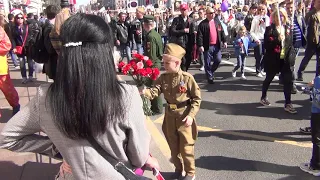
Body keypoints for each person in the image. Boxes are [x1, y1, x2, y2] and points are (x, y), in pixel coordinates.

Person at [0, 13, 159, 180]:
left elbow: (7, 137)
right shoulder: (127, 96)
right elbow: (139, 157)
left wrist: (64, 150)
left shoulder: (45, 97)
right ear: (106, 53)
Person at [142, 43, 201, 180]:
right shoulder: (163, 78)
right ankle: (178, 169)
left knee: (186, 148)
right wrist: (143, 91)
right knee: (173, 147)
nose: (165, 65)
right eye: (164, 62)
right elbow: (154, 92)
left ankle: (190, 173)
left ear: (177, 62)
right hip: (169, 117)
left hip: (184, 116)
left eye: (168, 62)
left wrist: (191, 116)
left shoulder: (187, 78)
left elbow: (197, 99)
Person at [260, 8, 297, 114]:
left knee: (287, 81)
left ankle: (288, 103)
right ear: (274, 17)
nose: (280, 17)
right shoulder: (269, 29)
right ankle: (263, 96)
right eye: (278, 15)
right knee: (269, 78)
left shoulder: (288, 28)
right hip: (273, 59)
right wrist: (277, 39)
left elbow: (291, 44)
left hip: (285, 60)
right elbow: (267, 45)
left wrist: (292, 57)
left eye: (282, 15)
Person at [197, 7, 227, 84]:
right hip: (207, 46)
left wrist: (225, 41)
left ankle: (210, 72)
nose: (212, 14)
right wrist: (200, 45)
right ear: (206, 14)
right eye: (210, 13)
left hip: (216, 45)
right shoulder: (202, 24)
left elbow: (222, 32)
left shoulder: (217, 22)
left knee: (218, 60)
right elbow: (199, 36)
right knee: (207, 62)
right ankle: (210, 77)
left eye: (213, 12)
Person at [0, 11, 20, 116]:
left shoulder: (1, 31)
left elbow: (7, 45)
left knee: (7, 89)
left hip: (1, 68)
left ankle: (15, 105)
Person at [143, 15, 163, 115]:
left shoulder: (150, 36)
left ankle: (157, 108)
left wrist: (148, 67)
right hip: (157, 62)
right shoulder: (156, 34)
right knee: (154, 86)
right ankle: (156, 107)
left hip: (153, 64)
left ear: (146, 24)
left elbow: (151, 54)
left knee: (153, 87)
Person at [300, 76, 320, 176]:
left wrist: (310, 87)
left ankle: (315, 166)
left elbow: (316, 100)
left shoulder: (318, 81)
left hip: (317, 114)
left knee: (317, 139)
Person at [297, 0, 320, 81]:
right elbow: (304, 26)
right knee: (307, 58)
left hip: (319, 40)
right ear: (315, 3)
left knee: (319, 60)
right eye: (319, 2)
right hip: (312, 40)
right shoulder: (310, 14)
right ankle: (300, 73)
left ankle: (317, 77)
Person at [169, 3, 196, 72]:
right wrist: (183, 31)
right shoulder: (176, 20)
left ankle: (184, 71)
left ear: (188, 10)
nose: (184, 11)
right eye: (182, 10)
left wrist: (194, 43)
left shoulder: (191, 20)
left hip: (189, 42)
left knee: (189, 59)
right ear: (180, 11)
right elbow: (172, 31)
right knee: (183, 60)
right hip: (179, 42)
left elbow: (192, 32)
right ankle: (183, 74)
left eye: (185, 10)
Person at [11, 13, 33, 84]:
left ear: (24, 19)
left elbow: (31, 36)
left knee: (30, 63)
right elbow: (13, 39)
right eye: (18, 18)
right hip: (19, 47)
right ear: (16, 19)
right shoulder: (14, 28)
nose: (20, 19)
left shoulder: (27, 26)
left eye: (21, 18)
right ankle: (24, 77)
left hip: (28, 47)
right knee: (22, 63)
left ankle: (30, 76)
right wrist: (14, 47)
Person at [250, 4, 270, 78]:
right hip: (258, 39)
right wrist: (256, 39)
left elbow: (268, 29)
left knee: (266, 55)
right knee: (259, 55)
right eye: (260, 9)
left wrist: (264, 23)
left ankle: (261, 68)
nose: (261, 11)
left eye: (263, 9)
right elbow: (251, 31)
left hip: (266, 39)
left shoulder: (267, 18)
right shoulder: (255, 19)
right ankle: (258, 71)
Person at [42, 5, 60, 81]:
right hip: (53, 61)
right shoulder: (50, 27)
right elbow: (49, 48)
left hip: (52, 61)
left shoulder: (48, 25)